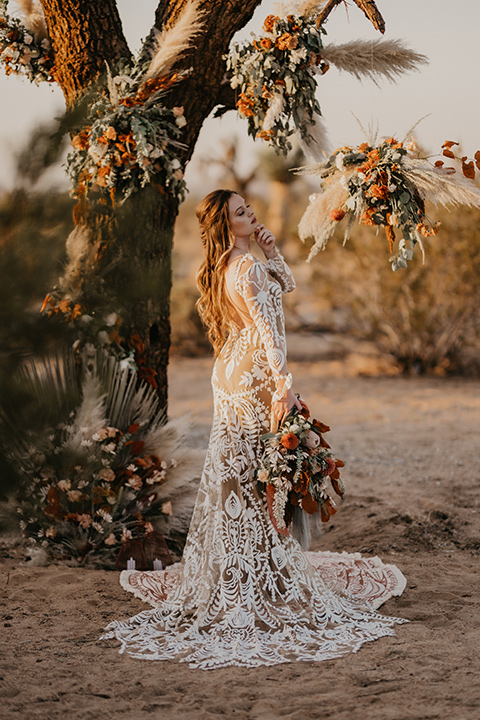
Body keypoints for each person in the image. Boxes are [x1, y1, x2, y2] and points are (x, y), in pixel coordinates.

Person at [102, 189, 407, 669]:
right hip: (254, 380)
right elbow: (271, 332)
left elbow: (282, 286)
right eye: (241, 213)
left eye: (249, 208)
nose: (252, 214)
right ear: (227, 225)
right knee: (258, 479)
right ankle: (255, 580)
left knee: (238, 481)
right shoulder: (245, 269)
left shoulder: (230, 264)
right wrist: (284, 387)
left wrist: (270, 248)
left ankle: (239, 572)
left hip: (229, 374)